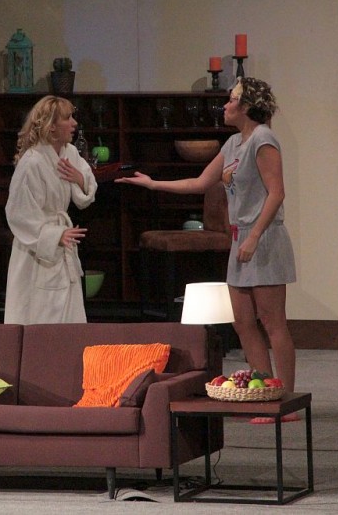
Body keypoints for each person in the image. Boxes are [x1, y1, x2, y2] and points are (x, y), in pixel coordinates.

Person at [116, 77, 297, 422]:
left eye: (231, 100)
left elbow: (277, 193)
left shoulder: (263, 139)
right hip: (240, 238)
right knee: (243, 323)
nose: (225, 106)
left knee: (273, 323)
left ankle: (284, 401)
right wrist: (152, 184)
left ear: (247, 107)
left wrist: (255, 237)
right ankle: (263, 393)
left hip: (264, 239)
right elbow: (200, 182)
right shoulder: (233, 143)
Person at [3, 95, 98, 324]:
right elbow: (18, 213)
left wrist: (79, 179)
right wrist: (55, 235)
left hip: (61, 245)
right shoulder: (32, 162)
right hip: (36, 247)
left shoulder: (69, 153)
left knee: (66, 314)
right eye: (68, 118)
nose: (74, 123)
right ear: (51, 126)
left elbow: (86, 192)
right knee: (39, 313)